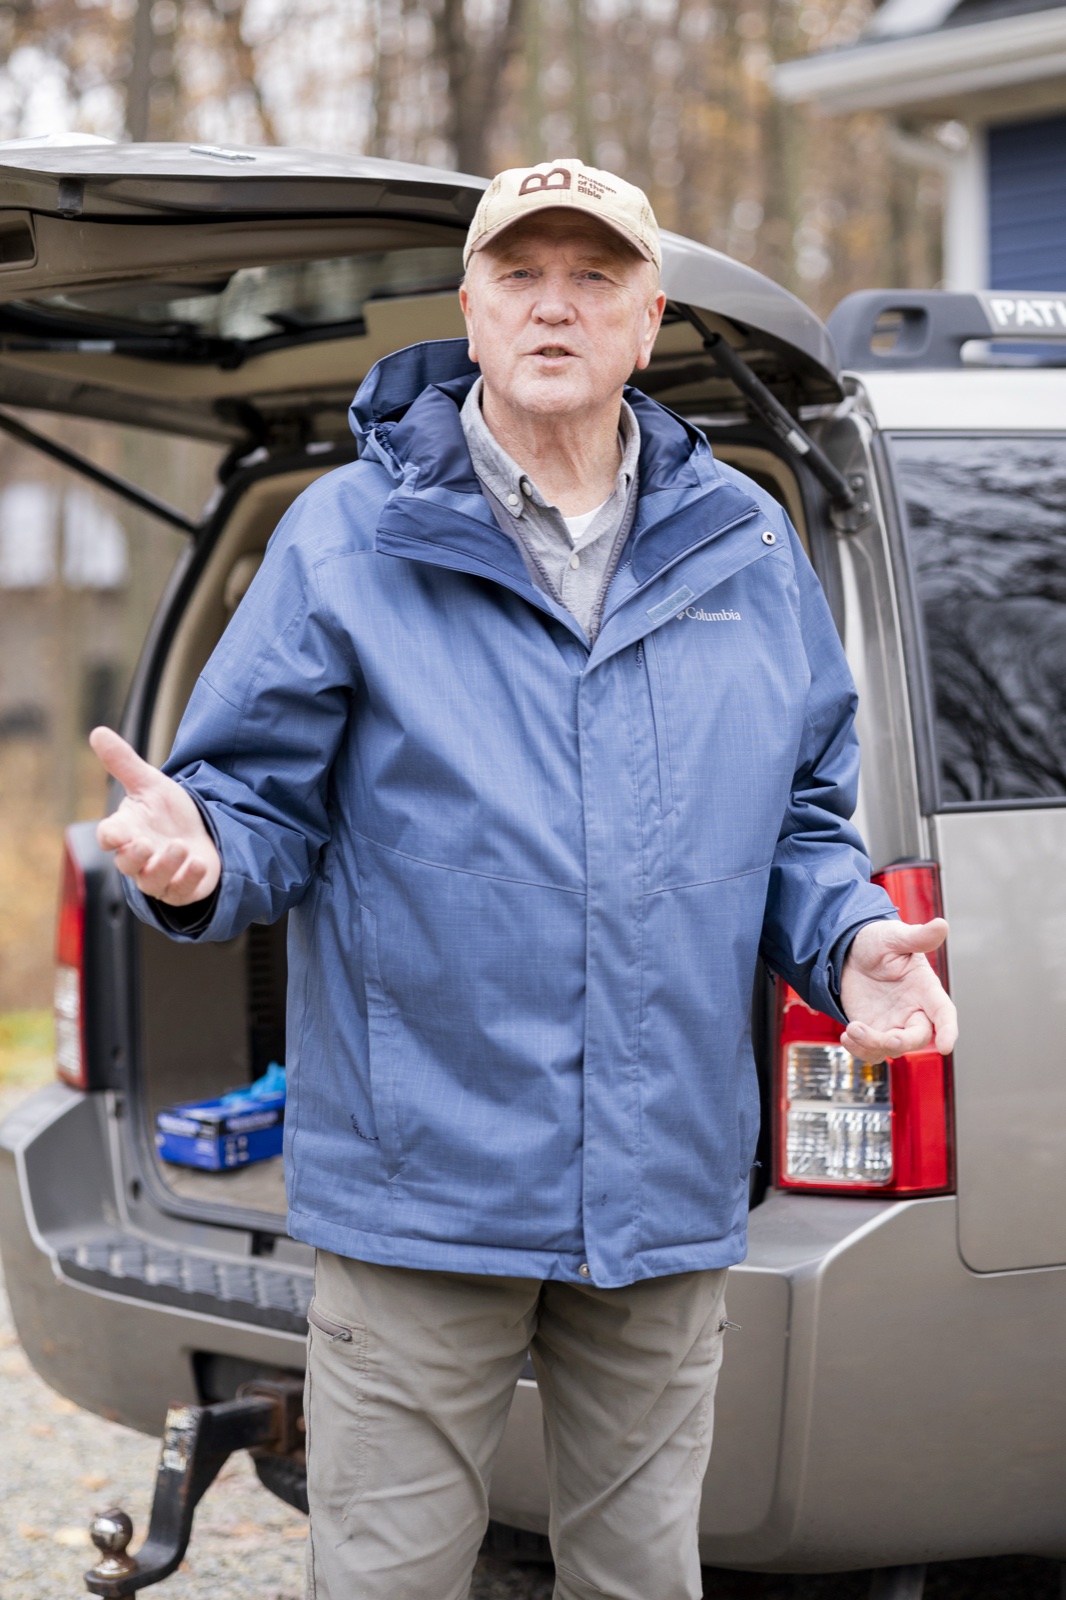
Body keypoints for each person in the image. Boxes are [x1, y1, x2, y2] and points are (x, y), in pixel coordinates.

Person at [90, 159, 957, 1600]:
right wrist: (199, 857)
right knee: (387, 1580)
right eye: (520, 275)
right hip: (421, 1187)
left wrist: (847, 936)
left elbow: (800, 815)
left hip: (664, 1184)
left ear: (646, 317)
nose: (555, 305)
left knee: (640, 1579)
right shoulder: (347, 537)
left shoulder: (744, 540)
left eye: (594, 277)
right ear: (471, 309)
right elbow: (251, 808)